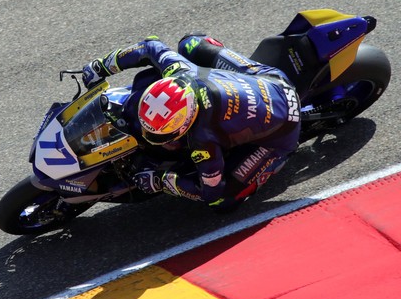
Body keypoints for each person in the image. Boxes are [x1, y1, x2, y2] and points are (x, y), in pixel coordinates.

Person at [81, 34, 301, 210]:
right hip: (267, 78)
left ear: (186, 124)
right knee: (191, 42)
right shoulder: (179, 70)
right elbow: (150, 46)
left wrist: (160, 180)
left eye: (163, 135)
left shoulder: (204, 142)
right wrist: (103, 65)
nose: (157, 139)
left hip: (285, 125)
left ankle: (279, 156)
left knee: (221, 201)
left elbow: (209, 190)